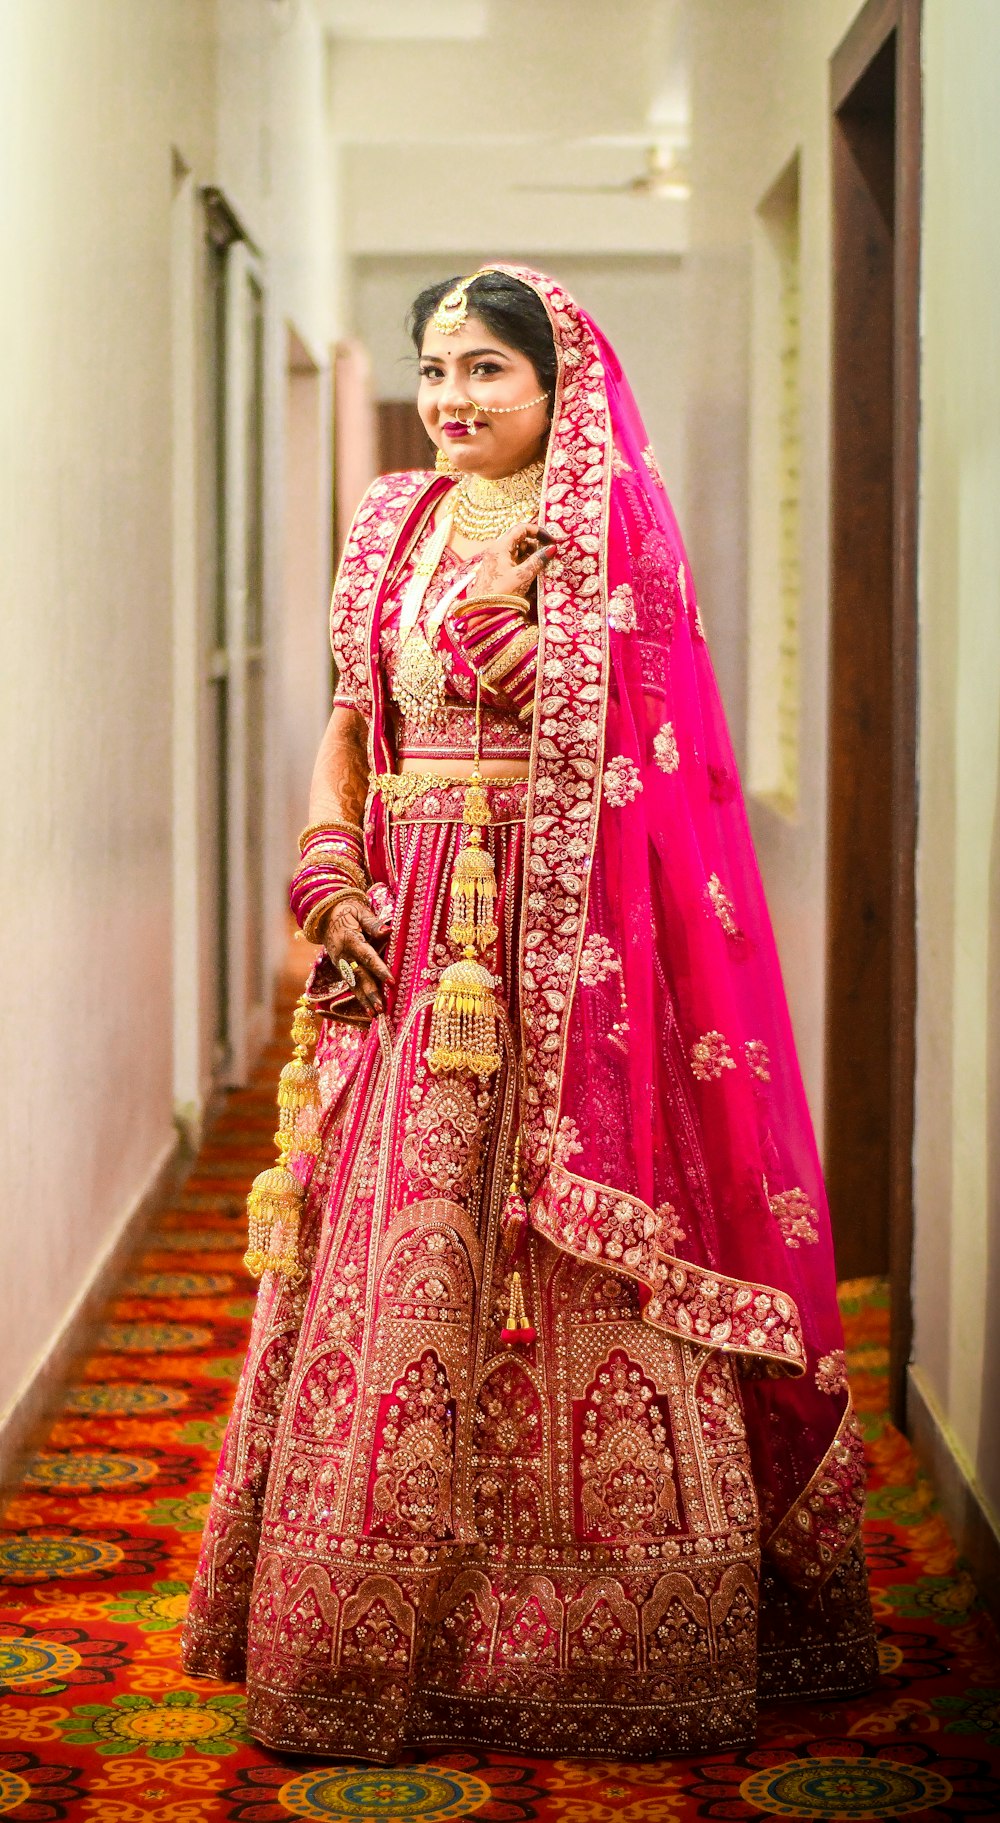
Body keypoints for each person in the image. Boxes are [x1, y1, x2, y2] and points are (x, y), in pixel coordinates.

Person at [181, 264, 876, 1761]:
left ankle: (603, 1633)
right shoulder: (391, 524)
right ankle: (368, 1630)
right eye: (436, 369)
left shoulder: (608, 539)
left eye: (487, 370)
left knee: (554, 1262)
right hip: (413, 935)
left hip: (570, 953)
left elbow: (652, 754)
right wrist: (328, 872)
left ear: (560, 390)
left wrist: (530, 628)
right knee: (395, 1244)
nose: (452, 400)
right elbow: (355, 723)